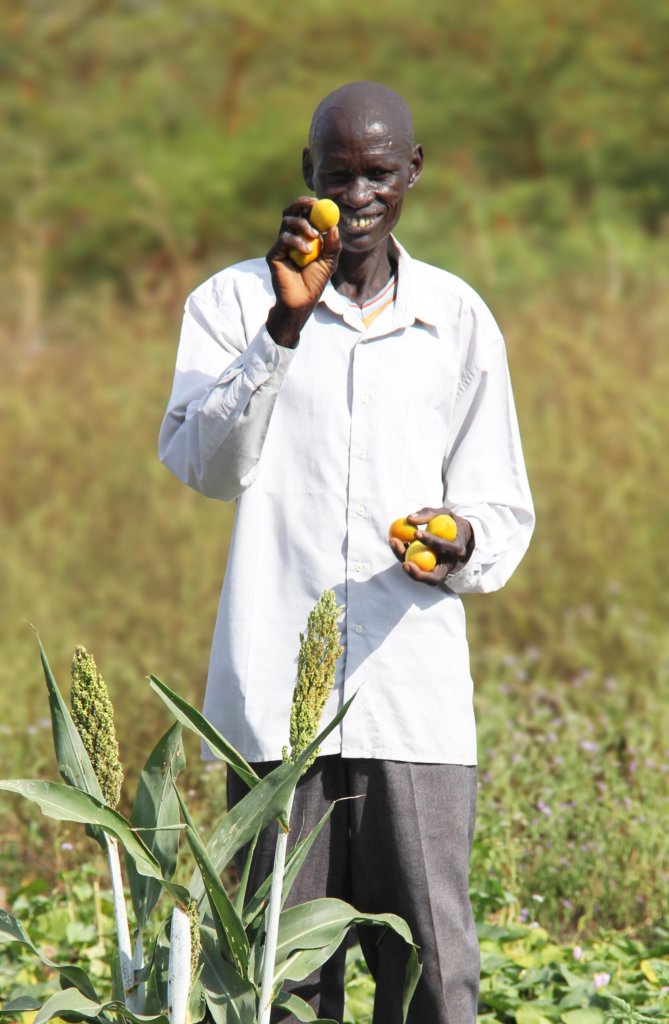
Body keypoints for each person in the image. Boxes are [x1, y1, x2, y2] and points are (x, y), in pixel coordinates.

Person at [159, 81, 534, 1024]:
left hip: (410, 703)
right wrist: (283, 326)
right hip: (271, 706)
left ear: (413, 171)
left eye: (378, 173)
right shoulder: (234, 302)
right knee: (278, 979)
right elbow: (202, 466)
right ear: (306, 176)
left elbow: (500, 507)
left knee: (433, 976)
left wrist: (457, 540)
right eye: (338, 174)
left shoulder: (456, 318)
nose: (358, 195)